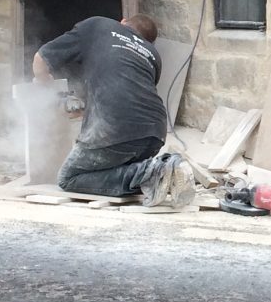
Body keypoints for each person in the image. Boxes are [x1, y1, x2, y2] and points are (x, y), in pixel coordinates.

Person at [31, 13, 178, 204]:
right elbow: (129, 94)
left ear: (123, 22)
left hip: (117, 131)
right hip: (154, 134)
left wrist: (44, 83)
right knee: (112, 168)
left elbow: (40, 58)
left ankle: (152, 172)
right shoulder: (152, 54)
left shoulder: (98, 25)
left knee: (69, 178)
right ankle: (153, 170)